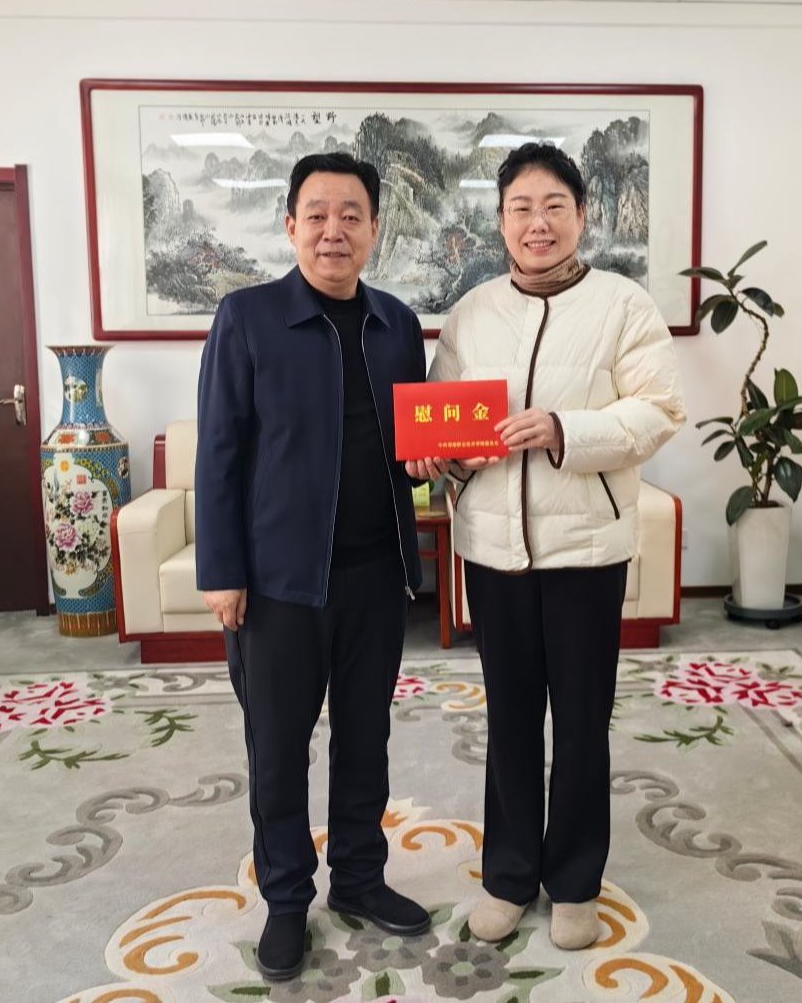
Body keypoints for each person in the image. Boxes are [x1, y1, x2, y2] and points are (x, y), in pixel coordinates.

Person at [425, 142, 685, 950]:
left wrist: (565, 428)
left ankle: (574, 883)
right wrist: (440, 457)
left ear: (582, 214)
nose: (537, 224)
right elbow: (441, 414)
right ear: (500, 220)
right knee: (509, 719)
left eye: (553, 207)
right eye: (520, 209)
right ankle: (507, 876)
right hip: (492, 549)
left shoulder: (623, 306)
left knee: (578, 721)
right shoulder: (472, 312)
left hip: (586, 550)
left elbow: (658, 412)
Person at [195, 152, 443, 982]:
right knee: (277, 748)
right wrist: (222, 570)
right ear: (291, 225)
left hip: (375, 575)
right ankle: (286, 900)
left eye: (351, 215)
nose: (334, 230)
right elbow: (219, 451)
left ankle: (361, 879)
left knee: (366, 738)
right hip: (277, 583)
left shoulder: (397, 323)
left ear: (375, 229)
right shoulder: (247, 317)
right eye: (317, 214)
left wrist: (429, 462)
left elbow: (411, 443)